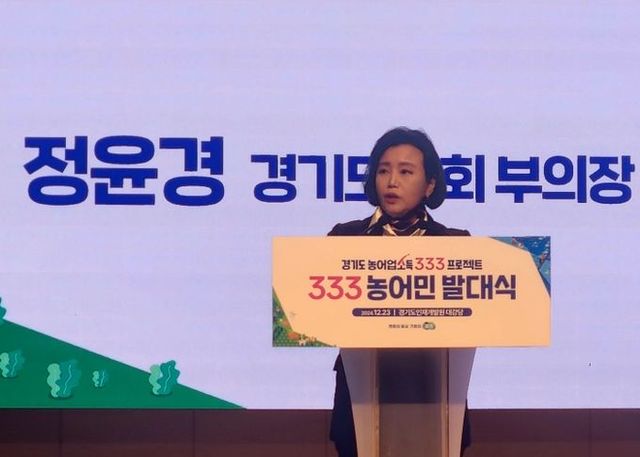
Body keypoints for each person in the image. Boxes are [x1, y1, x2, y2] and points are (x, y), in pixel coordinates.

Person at [328, 127, 472, 457]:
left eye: (405, 172)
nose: (392, 182)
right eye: (383, 171)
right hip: (361, 398)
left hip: (433, 393)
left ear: (429, 185)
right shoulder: (343, 239)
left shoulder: (456, 244)